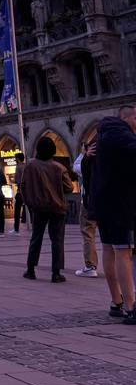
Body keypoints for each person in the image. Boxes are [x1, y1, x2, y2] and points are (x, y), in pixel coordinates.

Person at [89, 105, 136, 322]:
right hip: (119, 202)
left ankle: (116, 300)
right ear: (127, 117)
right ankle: (130, 306)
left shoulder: (103, 135)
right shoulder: (121, 134)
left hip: (104, 202)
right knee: (123, 251)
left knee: (109, 248)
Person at [21, 137, 73, 282]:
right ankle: (56, 273)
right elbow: (69, 187)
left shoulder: (30, 166)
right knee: (57, 239)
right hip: (57, 208)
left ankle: (30, 269)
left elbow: (23, 187)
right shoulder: (59, 168)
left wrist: (29, 203)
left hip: (38, 207)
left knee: (36, 238)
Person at [74, 141, 98, 277]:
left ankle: (90, 266)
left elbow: (76, 167)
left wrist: (83, 154)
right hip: (107, 204)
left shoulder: (87, 163)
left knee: (88, 233)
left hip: (89, 203)